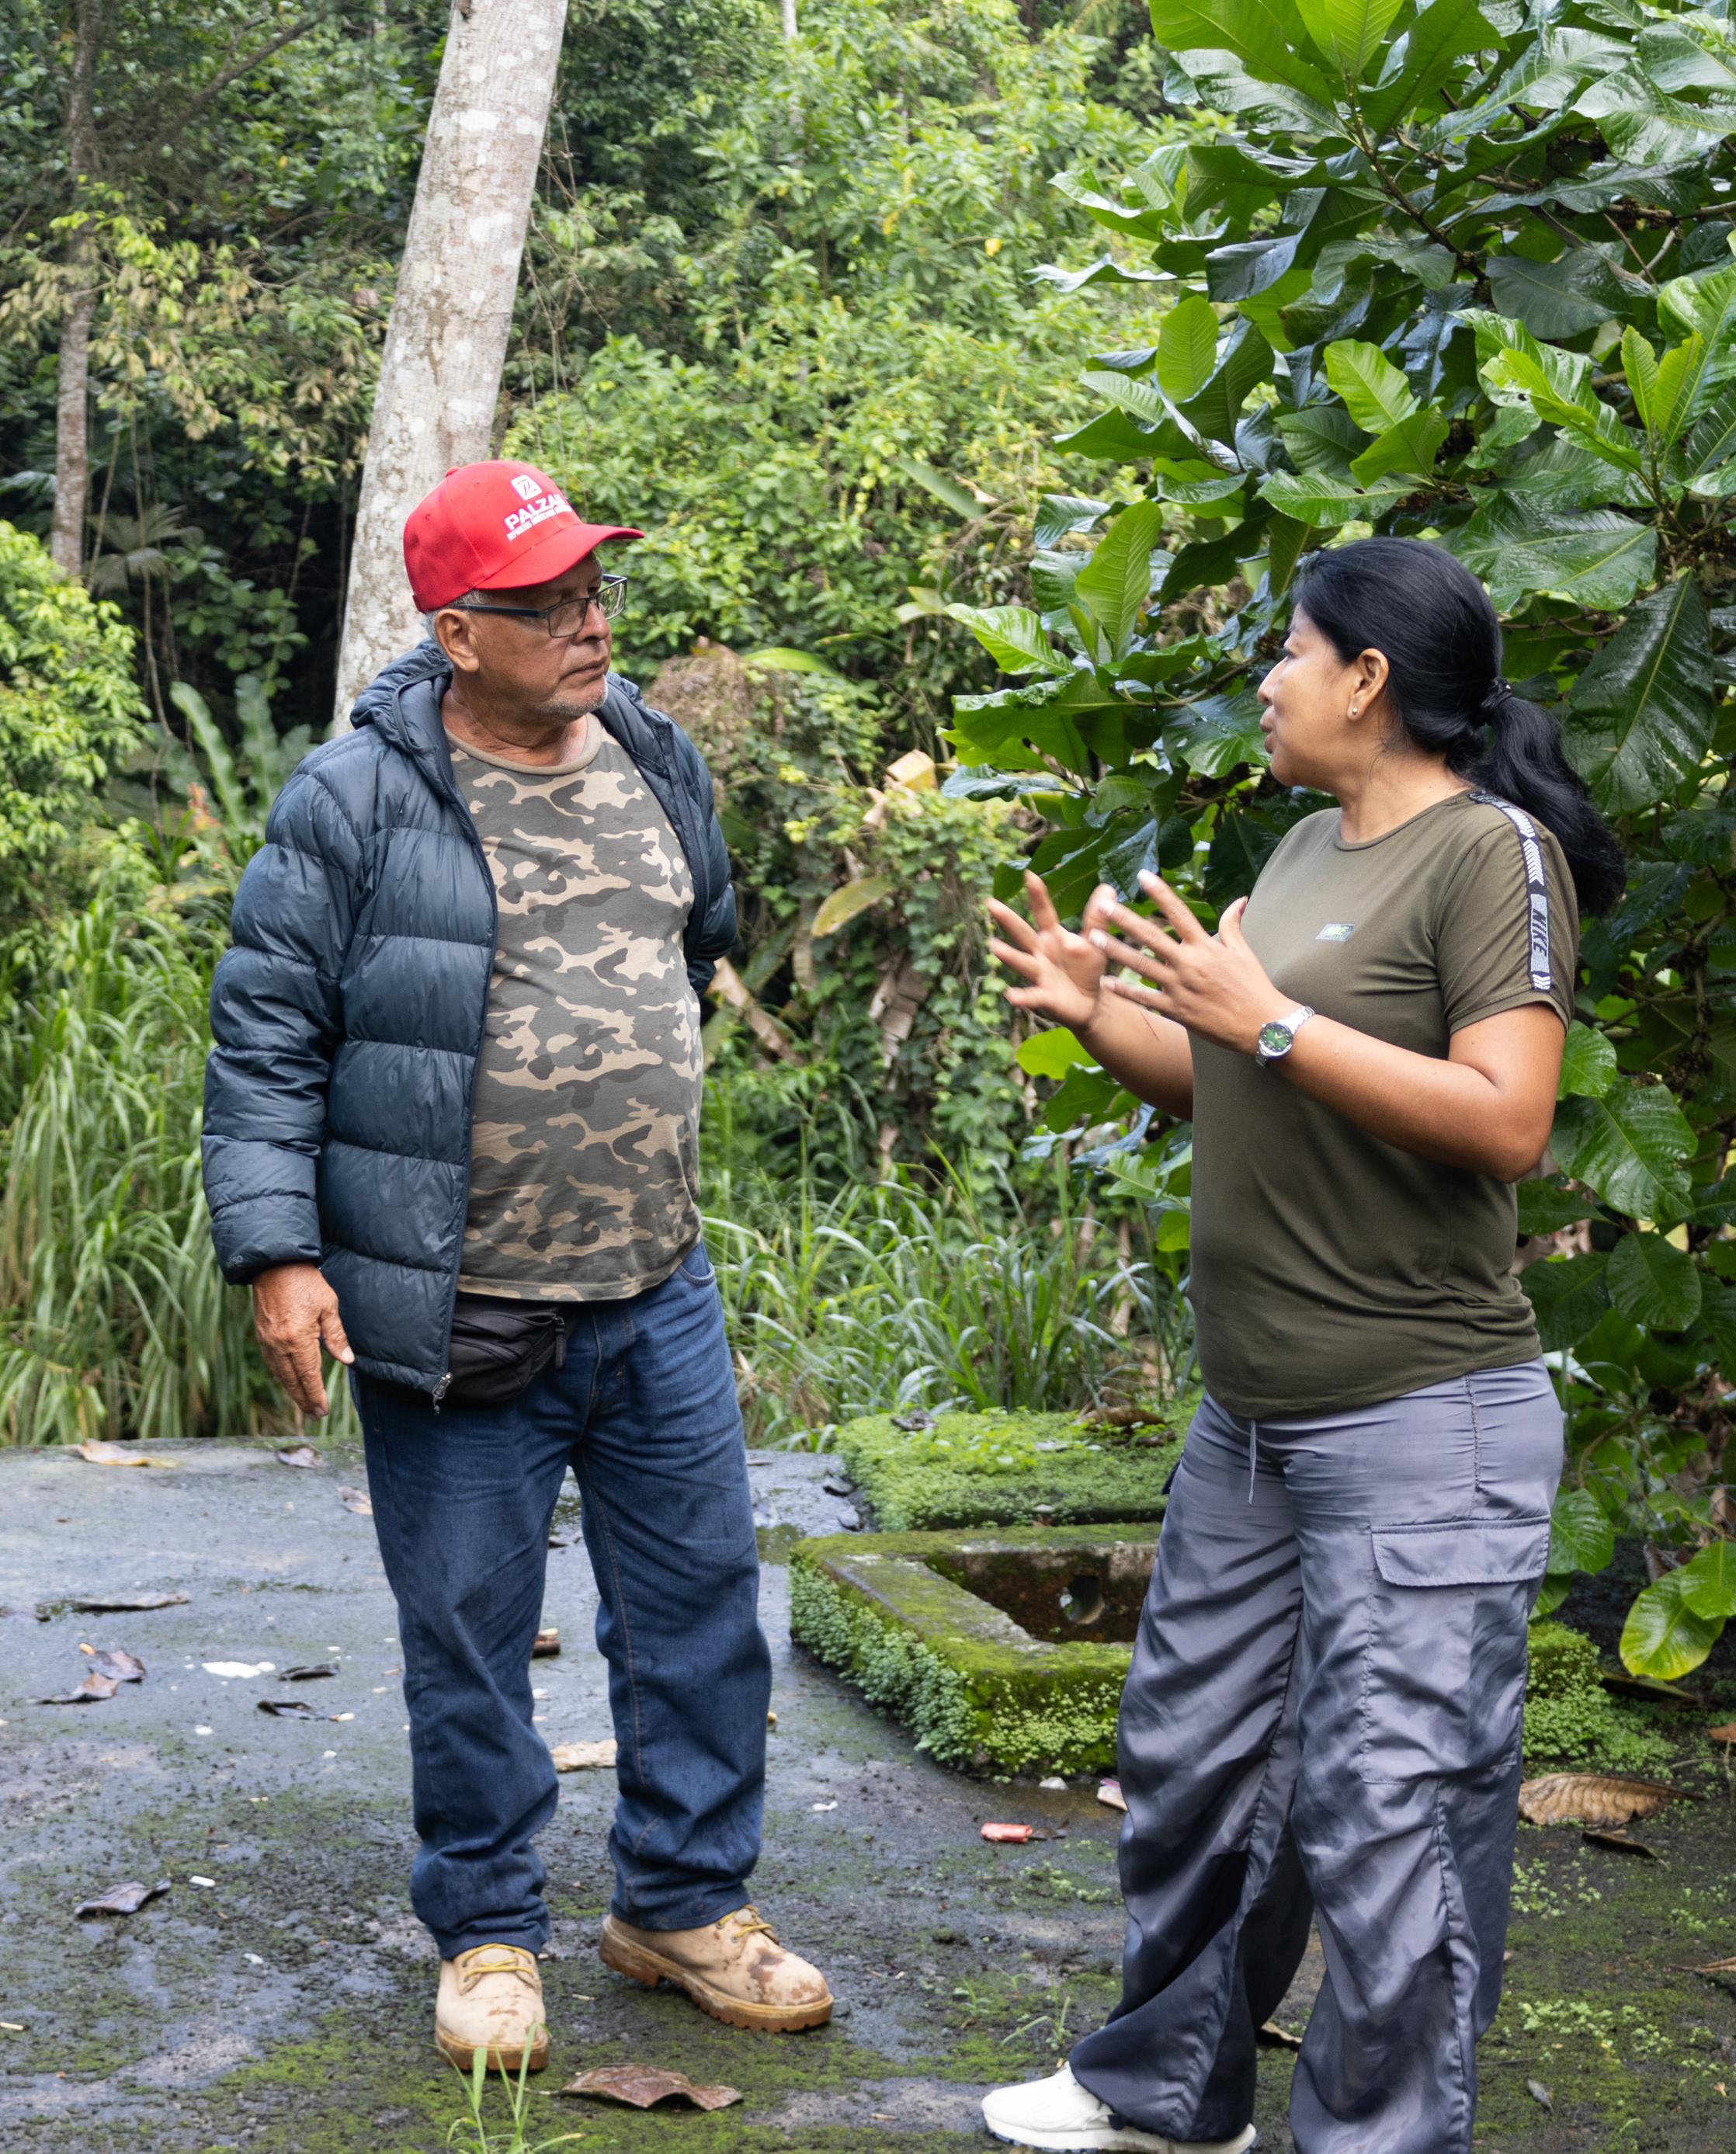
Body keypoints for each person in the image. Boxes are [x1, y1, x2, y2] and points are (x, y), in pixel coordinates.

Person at [975, 536, 1629, 2154]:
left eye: (1289, 649)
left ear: (1368, 679)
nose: (1265, 680)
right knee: (1196, 1769)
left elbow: (1508, 1118)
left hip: (1424, 1419)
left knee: (1389, 1812)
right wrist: (1105, 1013)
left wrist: (1264, 1013)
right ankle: (1166, 2088)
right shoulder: (1299, 850)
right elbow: (1240, 1084)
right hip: (1254, 1421)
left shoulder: (1490, 856)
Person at [201, 459, 832, 2077]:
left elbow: (699, 933)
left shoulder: (652, 751)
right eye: (547, 605)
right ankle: (488, 1933)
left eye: (595, 591)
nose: (589, 624)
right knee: (471, 1633)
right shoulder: (356, 799)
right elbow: (265, 1033)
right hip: (459, 1303)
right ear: (459, 632)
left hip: (655, 1284)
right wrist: (279, 1254)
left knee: (700, 1612)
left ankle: (683, 1904)